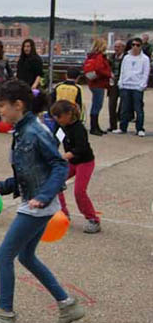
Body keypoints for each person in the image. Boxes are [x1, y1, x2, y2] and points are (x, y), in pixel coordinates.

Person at [0, 80, 84, 323]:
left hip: (37, 205)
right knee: (25, 256)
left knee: (4, 255)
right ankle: (67, 304)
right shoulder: (23, 130)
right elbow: (31, 172)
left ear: (18, 105)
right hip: (35, 201)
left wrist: (44, 196)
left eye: (2, 106)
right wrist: (2, 185)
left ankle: (5, 314)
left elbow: (59, 165)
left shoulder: (34, 131)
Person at [50, 100, 101, 234]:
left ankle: (93, 220)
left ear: (68, 114)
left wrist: (66, 155)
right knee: (56, 183)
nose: (57, 120)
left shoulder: (79, 129)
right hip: (72, 162)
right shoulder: (61, 126)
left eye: (59, 117)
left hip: (85, 162)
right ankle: (63, 213)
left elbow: (82, 148)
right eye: (55, 118)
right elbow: (55, 140)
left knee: (79, 191)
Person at [115, 37, 150, 136]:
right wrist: (120, 82)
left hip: (137, 87)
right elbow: (122, 70)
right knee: (124, 108)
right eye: (133, 45)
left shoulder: (145, 59)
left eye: (137, 45)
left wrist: (142, 85)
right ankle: (123, 127)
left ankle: (140, 129)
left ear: (141, 46)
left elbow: (145, 73)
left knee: (138, 108)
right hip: (126, 85)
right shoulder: (127, 57)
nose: (135, 47)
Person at [82, 38, 111, 136]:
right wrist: (109, 74)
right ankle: (94, 127)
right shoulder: (99, 56)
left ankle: (95, 126)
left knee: (96, 104)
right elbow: (99, 69)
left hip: (93, 82)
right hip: (99, 83)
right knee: (97, 105)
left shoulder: (91, 56)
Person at [106, 40, 126, 132]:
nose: (116, 49)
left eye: (118, 47)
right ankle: (112, 125)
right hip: (113, 82)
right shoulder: (111, 57)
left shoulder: (127, 57)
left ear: (123, 47)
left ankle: (122, 124)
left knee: (124, 105)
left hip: (124, 82)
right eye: (115, 47)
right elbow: (107, 67)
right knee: (111, 104)